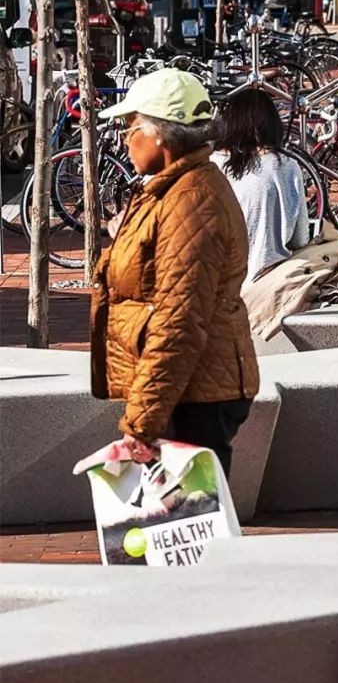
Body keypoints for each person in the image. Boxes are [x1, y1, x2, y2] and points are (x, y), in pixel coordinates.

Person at [90, 68, 258, 474]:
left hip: (194, 397)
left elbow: (179, 319)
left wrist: (142, 423)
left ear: (161, 135)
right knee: (176, 527)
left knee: (186, 530)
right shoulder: (170, 191)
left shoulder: (191, 201)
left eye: (131, 127)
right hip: (185, 391)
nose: (125, 139)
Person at [211, 87, 308, 284]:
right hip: (270, 285)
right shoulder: (286, 166)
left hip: (219, 287)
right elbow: (301, 238)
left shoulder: (211, 165)